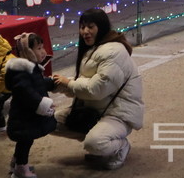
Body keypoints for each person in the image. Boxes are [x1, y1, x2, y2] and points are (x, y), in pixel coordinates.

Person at [54, 9, 144, 170]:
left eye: (90, 27)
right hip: (96, 109)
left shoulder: (112, 51)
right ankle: (98, 136)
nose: (85, 32)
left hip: (118, 113)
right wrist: (59, 85)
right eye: (82, 27)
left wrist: (68, 83)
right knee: (48, 122)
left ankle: (120, 145)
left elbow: (96, 90)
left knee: (95, 143)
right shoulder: (93, 49)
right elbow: (85, 84)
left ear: (101, 27)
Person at [4, 33, 57, 178]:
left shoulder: (32, 68)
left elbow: (36, 84)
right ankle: (21, 167)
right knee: (25, 140)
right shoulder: (22, 72)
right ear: (27, 52)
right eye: (38, 48)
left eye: (42, 47)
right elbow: (26, 92)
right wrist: (44, 104)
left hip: (28, 114)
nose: (43, 51)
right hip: (24, 116)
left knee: (25, 140)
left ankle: (16, 162)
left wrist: (51, 82)